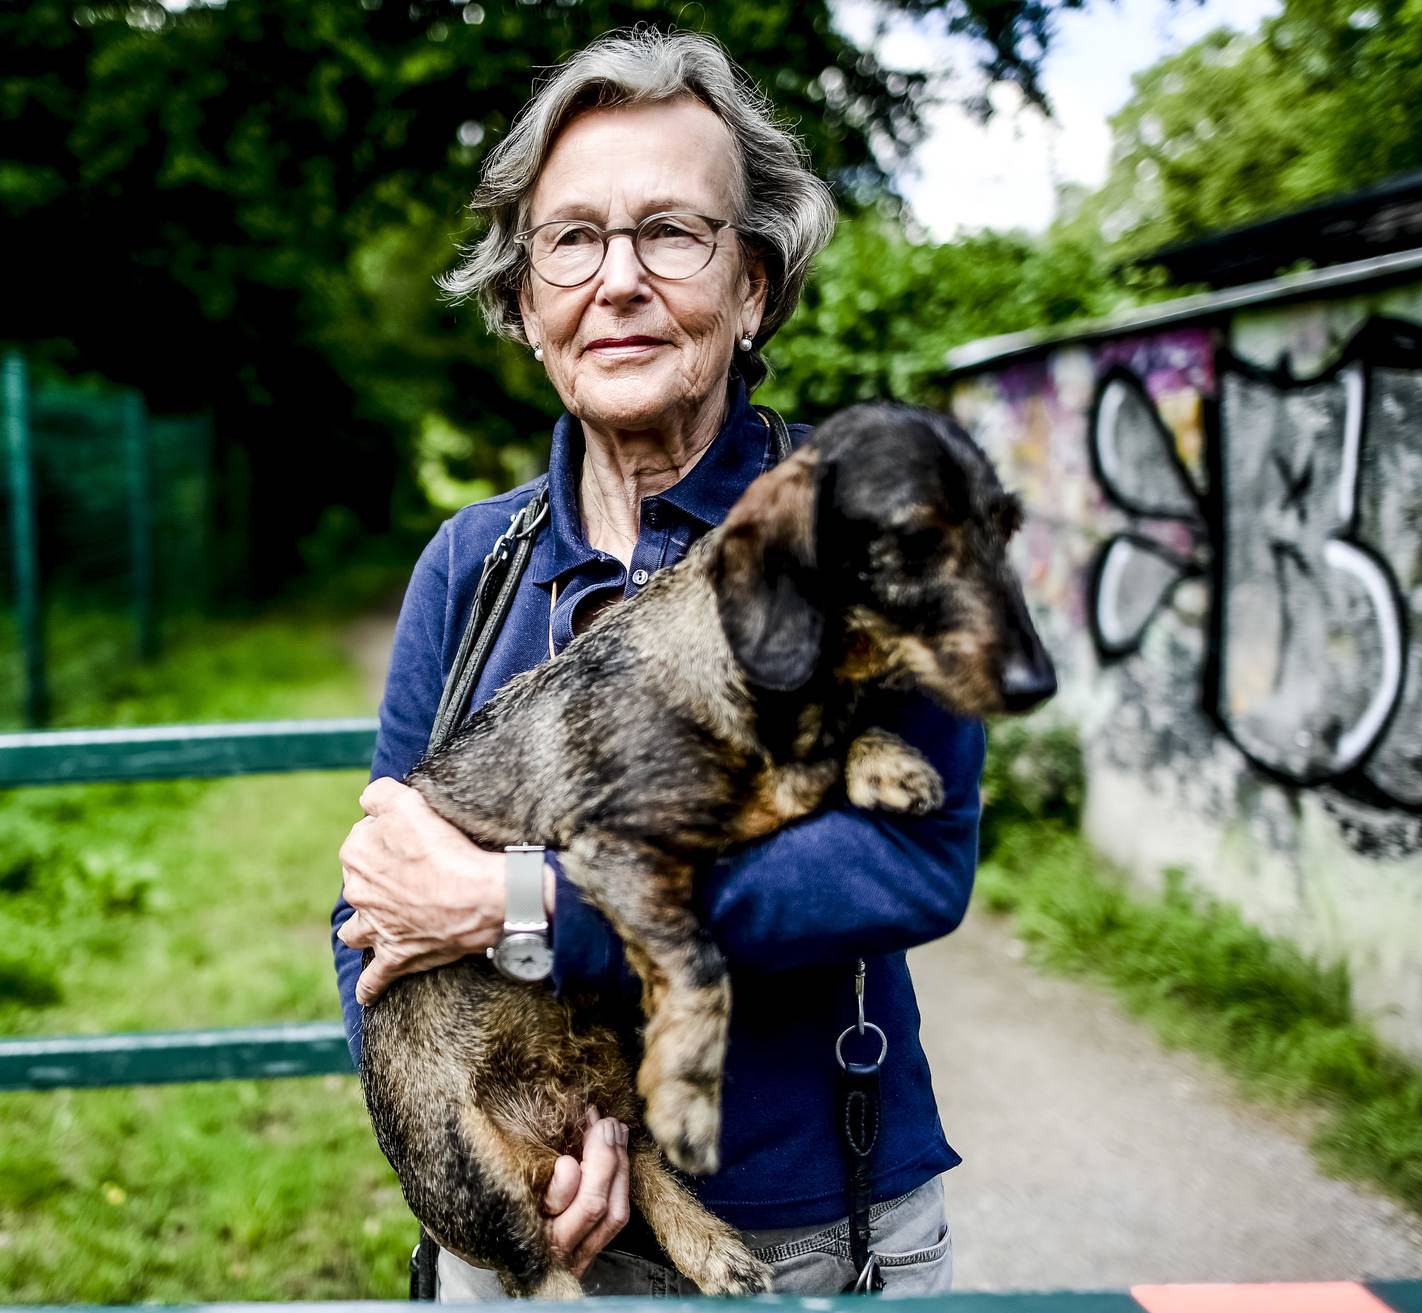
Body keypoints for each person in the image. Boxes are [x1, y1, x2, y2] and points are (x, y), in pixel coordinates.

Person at [330, 28, 978, 1300]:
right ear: (525, 305)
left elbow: (912, 856)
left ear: (753, 289)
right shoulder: (471, 566)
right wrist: (493, 1163)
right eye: (572, 239)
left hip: (809, 1234)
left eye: (673, 232)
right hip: (535, 1234)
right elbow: (381, 912)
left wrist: (535, 906)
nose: (617, 280)